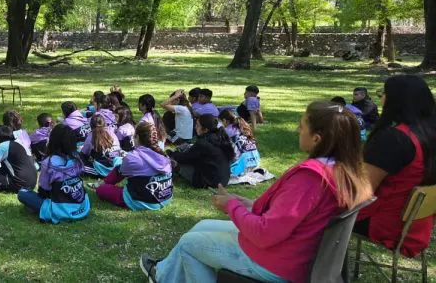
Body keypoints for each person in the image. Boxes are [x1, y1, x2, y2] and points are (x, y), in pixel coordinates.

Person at [140, 101, 372, 283]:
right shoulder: (345, 170)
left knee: (189, 244)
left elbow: (265, 233)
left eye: (302, 126)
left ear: (316, 138)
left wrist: (231, 207)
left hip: (278, 261)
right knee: (201, 226)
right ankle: (162, 274)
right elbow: (296, 216)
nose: (297, 130)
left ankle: (161, 275)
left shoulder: (311, 179)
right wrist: (248, 204)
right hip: (297, 250)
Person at [354, 75, 436, 258]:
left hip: (385, 224)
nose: (381, 98)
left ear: (396, 100)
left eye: (383, 93)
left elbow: (361, 190)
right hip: (416, 226)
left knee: (316, 209)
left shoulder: (394, 139)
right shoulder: (428, 134)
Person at [17, 125, 91, 224]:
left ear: (52, 141)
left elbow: (44, 190)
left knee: (22, 193)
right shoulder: (77, 159)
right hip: (82, 207)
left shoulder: (48, 163)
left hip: (60, 210)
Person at [95, 122, 173, 211]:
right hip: (165, 198)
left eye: (134, 135)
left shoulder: (133, 157)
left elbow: (119, 172)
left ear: (137, 137)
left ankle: (104, 183)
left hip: (141, 202)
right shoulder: (164, 156)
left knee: (101, 189)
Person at [170, 114, 235, 189]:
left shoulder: (203, 143)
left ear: (205, 129)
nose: (195, 127)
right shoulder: (219, 138)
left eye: (197, 125)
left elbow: (185, 158)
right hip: (224, 179)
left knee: (175, 162)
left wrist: (172, 154)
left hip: (210, 182)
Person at [220, 109, 261, 176]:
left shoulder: (227, 131)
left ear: (224, 120)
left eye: (221, 122)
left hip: (241, 168)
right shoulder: (242, 127)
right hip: (255, 163)